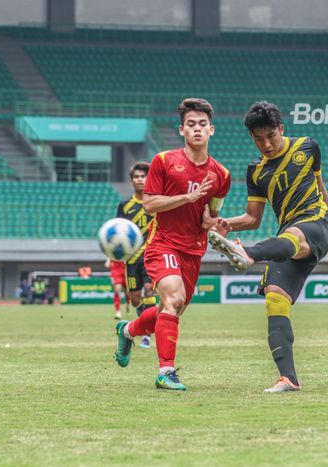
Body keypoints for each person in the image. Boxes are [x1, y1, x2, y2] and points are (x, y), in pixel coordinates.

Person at [207, 101, 328, 393]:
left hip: (315, 226)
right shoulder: (256, 171)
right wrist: (226, 224)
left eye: (271, 135)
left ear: (281, 129)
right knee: (274, 298)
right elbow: (253, 218)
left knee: (294, 236)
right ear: (251, 138)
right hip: (285, 239)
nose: (266, 144)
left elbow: (321, 190)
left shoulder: (307, 147)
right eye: (259, 139)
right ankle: (288, 378)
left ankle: (247, 254)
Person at [114, 98, 231, 391]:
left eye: (202, 124)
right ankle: (165, 372)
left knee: (172, 308)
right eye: (191, 124)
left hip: (194, 250)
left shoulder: (222, 175)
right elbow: (150, 204)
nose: (197, 129)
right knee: (173, 300)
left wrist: (215, 224)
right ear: (181, 130)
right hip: (163, 243)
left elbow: (211, 215)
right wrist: (187, 198)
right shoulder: (164, 161)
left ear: (212, 130)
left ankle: (127, 330)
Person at [116, 161, 157, 349]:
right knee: (134, 298)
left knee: (149, 289)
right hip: (131, 258)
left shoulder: (156, 202)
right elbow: (118, 231)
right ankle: (145, 324)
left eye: (143, 176)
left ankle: (147, 334)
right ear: (132, 181)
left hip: (151, 255)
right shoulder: (125, 206)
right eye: (137, 177)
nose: (140, 180)